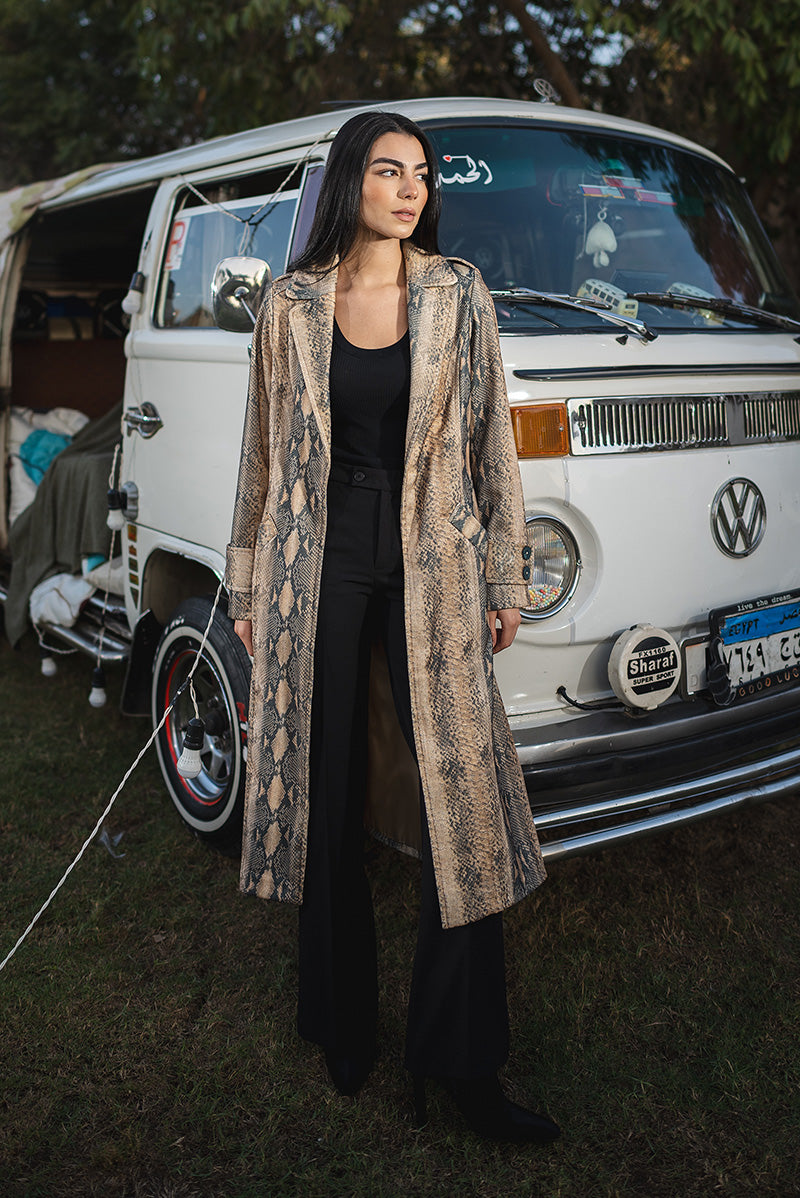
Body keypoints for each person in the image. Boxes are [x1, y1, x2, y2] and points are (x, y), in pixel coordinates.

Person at [224, 110, 560, 1145]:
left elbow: (490, 438)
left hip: (434, 557)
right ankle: (341, 1023)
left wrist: (503, 569)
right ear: (349, 182)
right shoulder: (289, 305)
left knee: (459, 796)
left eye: (420, 174)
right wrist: (248, 586)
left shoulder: (457, 292)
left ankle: (462, 1063)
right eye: (387, 170)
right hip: (315, 559)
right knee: (322, 786)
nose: (410, 189)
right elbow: (261, 453)